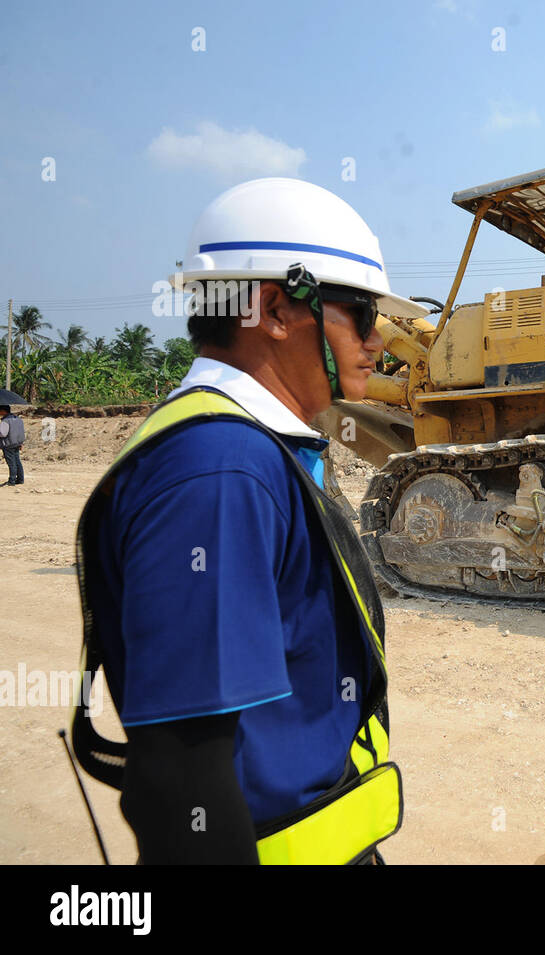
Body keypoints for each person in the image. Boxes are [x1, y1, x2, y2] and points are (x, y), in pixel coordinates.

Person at [70, 178, 428, 864]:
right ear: (272, 310)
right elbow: (181, 783)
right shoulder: (218, 470)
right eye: (359, 311)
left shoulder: (251, 453)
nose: (379, 338)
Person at [0, 405, 24, 485]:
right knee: (17, 461)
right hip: (17, 443)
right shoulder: (18, 419)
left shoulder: (5, 421)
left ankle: (12, 481)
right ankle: (20, 480)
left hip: (8, 444)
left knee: (11, 463)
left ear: (3, 411)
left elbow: (3, 433)